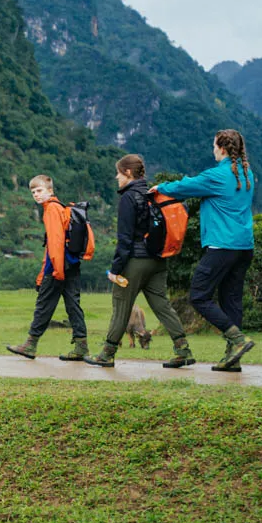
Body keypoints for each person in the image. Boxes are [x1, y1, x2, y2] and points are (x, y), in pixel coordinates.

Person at [152, 130, 256, 371]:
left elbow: (186, 186)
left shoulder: (218, 175)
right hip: (244, 246)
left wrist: (160, 187)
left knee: (199, 295)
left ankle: (238, 340)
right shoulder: (246, 173)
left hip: (222, 245)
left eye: (213, 145)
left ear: (221, 148)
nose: (212, 150)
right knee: (231, 299)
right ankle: (233, 358)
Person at [84, 154, 194, 368]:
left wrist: (116, 270)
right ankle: (183, 350)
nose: (116, 177)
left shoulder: (128, 197)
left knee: (121, 304)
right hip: (158, 260)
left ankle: (107, 353)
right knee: (162, 305)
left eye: (118, 172)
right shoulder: (152, 193)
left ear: (127, 172)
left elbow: (125, 239)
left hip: (135, 260)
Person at [6, 175, 88, 361]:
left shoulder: (51, 209)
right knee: (73, 305)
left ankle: (30, 344)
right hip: (72, 263)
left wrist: (54, 271)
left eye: (39, 190)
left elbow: (55, 242)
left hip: (58, 266)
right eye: (33, 192)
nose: (36, 194)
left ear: (50, 191)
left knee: (43, 305)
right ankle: (81, 346)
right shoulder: (61, 207)